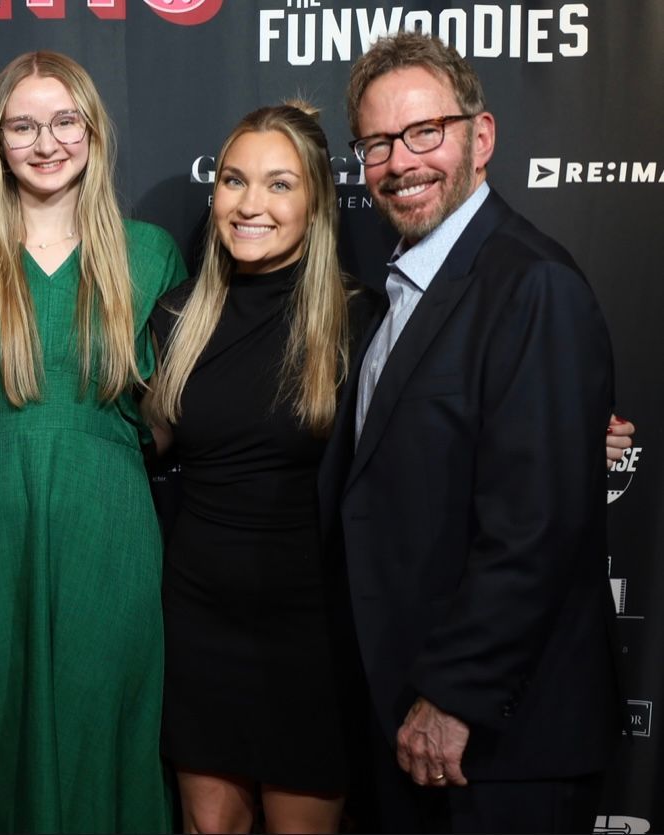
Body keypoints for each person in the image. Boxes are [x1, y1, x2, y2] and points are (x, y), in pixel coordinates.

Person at [317, 31, 623, 833]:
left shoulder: (534, 284)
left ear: (479, 138)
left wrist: (454, 693)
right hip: (409, 724)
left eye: (427, 133)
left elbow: (538, 524)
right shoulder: (403, 287)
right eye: (378, 143)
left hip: (496, 745)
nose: (402, 161)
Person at [0, 51, 187, 833]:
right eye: (22, 125)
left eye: (66, 121)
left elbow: (167, 421)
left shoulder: (149, 253)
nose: (45, 141)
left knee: (102, 715)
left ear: (94, 133)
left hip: (107, 526)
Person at [146, 102, 363, 834]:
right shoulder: (178, 316)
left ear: (316, 200)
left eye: (278, 184)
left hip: (311, 630)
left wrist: (573, 430)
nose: (250, 204)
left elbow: (436, 437)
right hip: (199, 619)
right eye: (235, 180)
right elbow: (130, 444)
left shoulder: (359, 320)